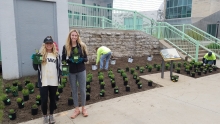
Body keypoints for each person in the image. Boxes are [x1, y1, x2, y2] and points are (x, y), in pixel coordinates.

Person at [32, 36, 61, 124]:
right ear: (44, 45)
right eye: (47, 43)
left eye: (50, 43)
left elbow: (59, 67)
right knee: (44, 100)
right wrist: (34, 60)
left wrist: (64, 72)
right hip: (44, 81)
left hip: (54, 81)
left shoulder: (56, 55)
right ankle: (45, 116)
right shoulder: (41, 55)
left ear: (52, 44)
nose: (49, 45)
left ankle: (51, 115)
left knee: (52, 99)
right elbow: (35, 68)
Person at [62, 29, 88, 119]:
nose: (74, 37)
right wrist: (69, 60)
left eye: (75, 35)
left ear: (78, 37)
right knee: (74, 90)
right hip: (71, 72)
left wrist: (81, 60)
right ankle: (77, 109)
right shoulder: (66, 47)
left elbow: (86, 59)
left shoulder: (82, 46)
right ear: (70, 36)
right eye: (72, 35)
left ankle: (84, 108)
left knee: (83, 89)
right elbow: (63, 59)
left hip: (81, 70)